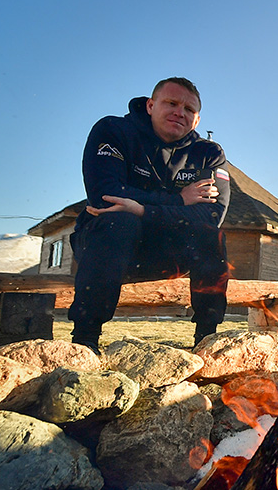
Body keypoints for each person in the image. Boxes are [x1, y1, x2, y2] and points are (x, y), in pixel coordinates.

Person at [69, 77, 231, 352]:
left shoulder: (208, 154)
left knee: (209, 235)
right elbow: (105, 195)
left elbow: (211, 214)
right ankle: (85, 340)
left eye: (189, 109)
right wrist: (179, 200)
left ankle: (207, 339)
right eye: (171, 103)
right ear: (150, 105)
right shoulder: (112, 131)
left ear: (197, 119)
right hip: (108, 248)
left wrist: (142, 208)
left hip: (169, 255)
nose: (180, 112)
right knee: (119, 220)